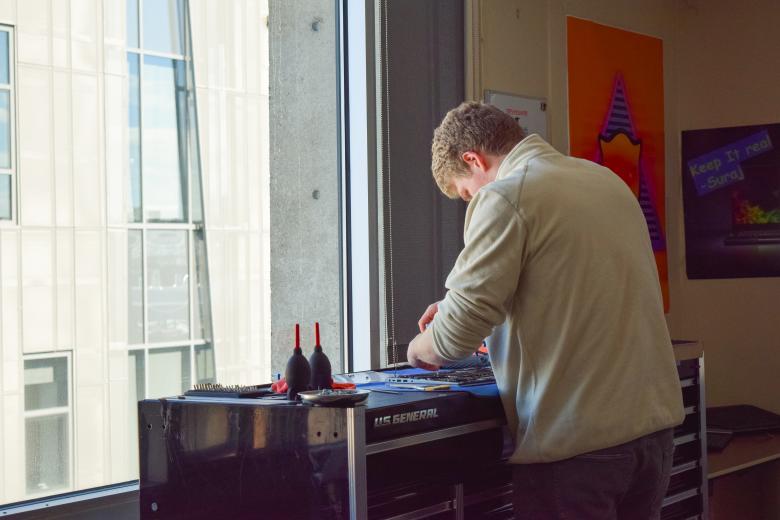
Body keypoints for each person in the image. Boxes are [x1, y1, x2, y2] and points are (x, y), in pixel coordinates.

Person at [406, 101, 684, 519]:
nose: (471, 202)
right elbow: (574, 282)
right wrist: (459, 303)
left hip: (579, 451)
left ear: (473, 160)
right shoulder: (603, 180)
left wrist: (417, 349)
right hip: (652, 437)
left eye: (466, 193)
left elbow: (454, 337)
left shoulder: (506, 195)